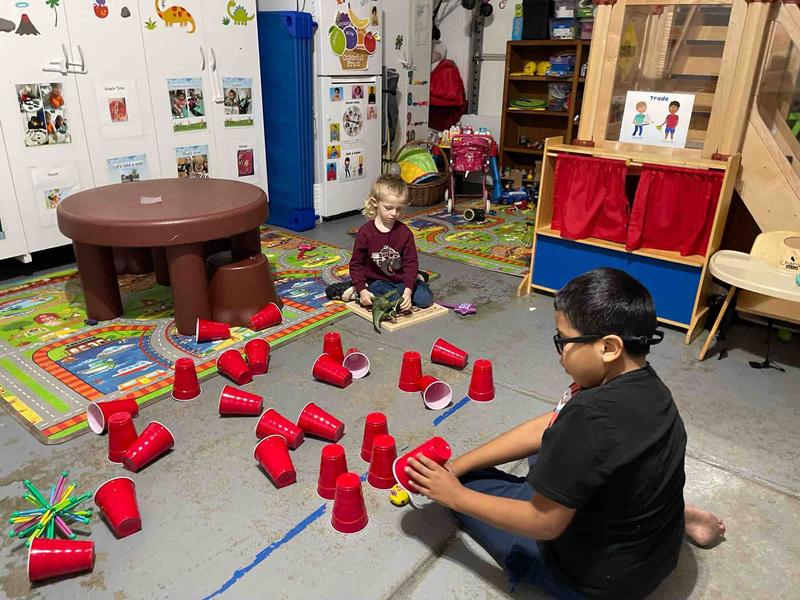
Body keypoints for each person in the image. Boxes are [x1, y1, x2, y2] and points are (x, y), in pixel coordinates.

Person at [405, 268, 724, 599]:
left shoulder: (588, 418)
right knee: (509, 460)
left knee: (472, 487)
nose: (559, 355)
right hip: (657, 549)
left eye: (563, 341)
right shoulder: (649, 383)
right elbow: (549, 425)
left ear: (610, 347)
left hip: (601, 584)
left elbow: (544, 524)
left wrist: (454, 493)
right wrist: (457, 465)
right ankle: (670, 514)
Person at [325, 174, 432, 309]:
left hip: (400, 280)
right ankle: (354, 290)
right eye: (388, 208)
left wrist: (408, 291)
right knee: (389, 303)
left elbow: (411, 262)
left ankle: (416, 278)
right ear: (375, 203)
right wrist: (362, 290)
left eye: (399, 209)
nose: (394, 213)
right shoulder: (365, 232)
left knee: (425, 300)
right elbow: (357, 264)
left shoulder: (405, 233)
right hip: (376, 281)